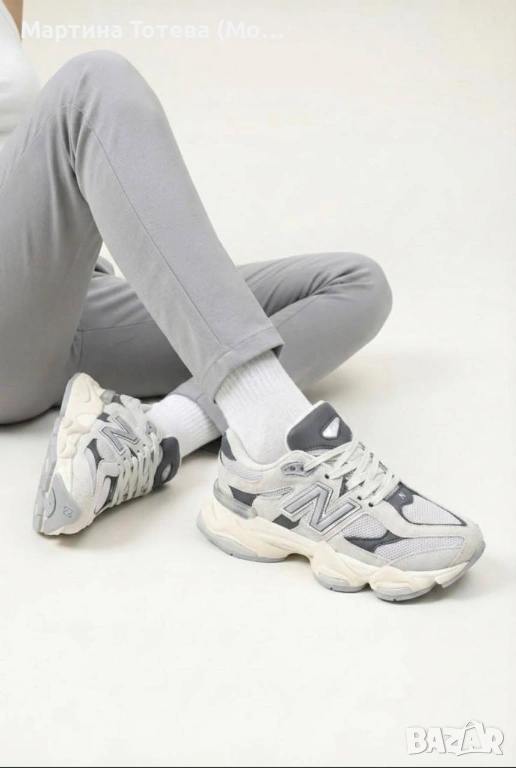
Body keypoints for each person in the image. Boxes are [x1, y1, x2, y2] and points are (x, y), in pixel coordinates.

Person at [0, 0, 484, 600]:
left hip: (65, 298)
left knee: (356, 283)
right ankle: (274, 441)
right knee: (93, 84)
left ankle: (155, 441)